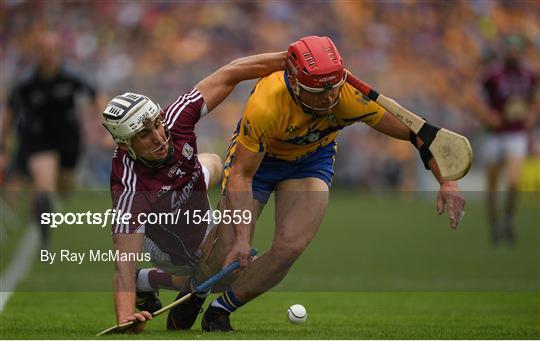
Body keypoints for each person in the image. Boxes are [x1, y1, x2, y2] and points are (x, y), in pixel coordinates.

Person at [196, 36, 467, 332]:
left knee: (289, 247)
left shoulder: (349, 96)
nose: (329, 99)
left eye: (333, 89)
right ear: (296, 85)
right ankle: (191, 293)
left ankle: (220, 310)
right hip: (258, 164)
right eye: (318, 93)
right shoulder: (266, 104)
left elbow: (417, 133)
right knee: (225, 254)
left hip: (310, 162)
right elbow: (242, 176)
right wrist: (243, 239)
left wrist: (447, 182)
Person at [102, 52, 286, 333]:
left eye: (156, 124)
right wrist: (127, 315)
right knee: (230, 274)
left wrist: (288, 59)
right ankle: (152, 280)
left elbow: (230, 73)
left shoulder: (175, 119)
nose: (159, 137)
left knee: (212, 162)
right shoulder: (130, 187)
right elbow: (123, 264)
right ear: (126, 145)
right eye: (144, 135)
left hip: (193, 199)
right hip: (169, 244)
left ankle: (177, 280)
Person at [0, 32, 98, 248]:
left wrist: (105, 127)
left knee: (64, 188)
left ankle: (41, 208)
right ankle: (44, 239)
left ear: (58, 52)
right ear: (37, 53)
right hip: (38, 140)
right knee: (44, 185)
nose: (48, 55)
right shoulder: (26, 84)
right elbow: (9, 114)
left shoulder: (71, 77)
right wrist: (3, 147)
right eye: (43, 50)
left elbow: (96, 95)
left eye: (52, 50)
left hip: (68, 140)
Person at [474, 35, 537, 245]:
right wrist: (487, 115)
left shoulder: (529, 75)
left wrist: (532, 116)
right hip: (494, 135)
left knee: (513, 181)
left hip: (515, 133)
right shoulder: (492, 75)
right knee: (492, 187)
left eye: (515, 49)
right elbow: (476, 100)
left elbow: (535, 100)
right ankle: (494, 225)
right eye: (509, 49)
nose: (512, 53)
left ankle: (508, 219)